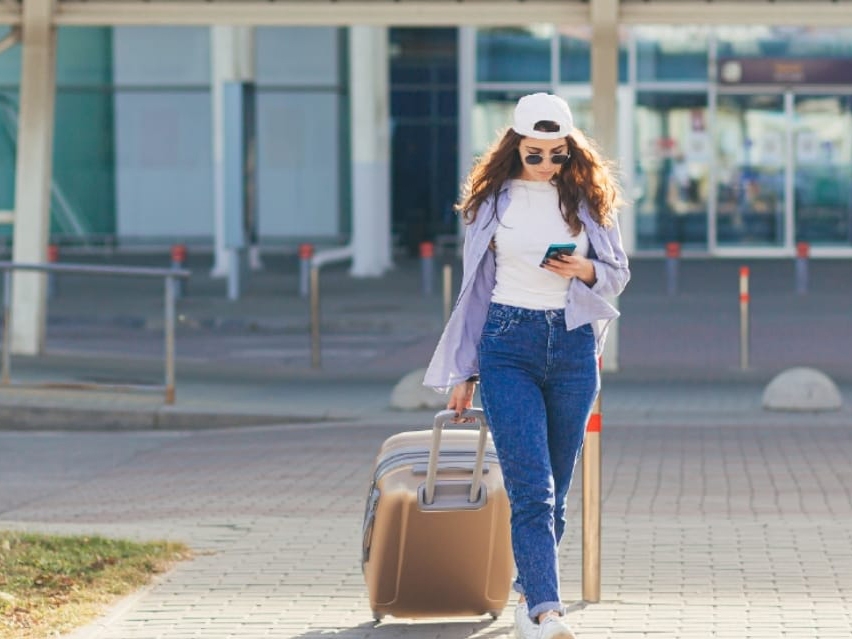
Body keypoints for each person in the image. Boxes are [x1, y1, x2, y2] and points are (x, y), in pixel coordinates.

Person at [423, 93, 630, 639]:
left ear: (570, 151)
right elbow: (472, 295)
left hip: (572, 346)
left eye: (557, 155)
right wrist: (463, 375)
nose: (546, 165)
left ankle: (526, 593)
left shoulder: (588, 201)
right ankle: (546, 611)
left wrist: (585, 268)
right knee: (532, 489)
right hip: (506, 344)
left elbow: (617, 273)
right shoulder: (490, 202)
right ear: (515, 147)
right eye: (535, 154)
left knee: (556, 490)